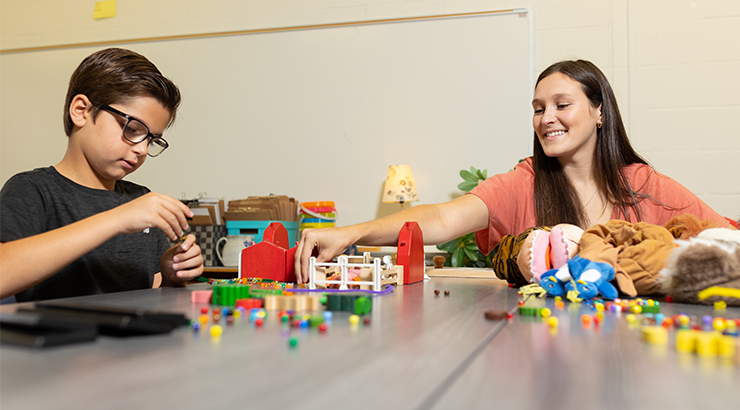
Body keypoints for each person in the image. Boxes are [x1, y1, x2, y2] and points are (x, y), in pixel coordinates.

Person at [294, 59, 731, 283]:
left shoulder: (642, 184)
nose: (547, 119)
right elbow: (444, 218)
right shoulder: (524, 182)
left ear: (600, 112)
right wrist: (348, 233)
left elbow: (718, 230)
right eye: (538, 109)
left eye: (562, 105)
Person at [0, 48, 204, 302]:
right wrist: (117, 219)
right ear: (81, 110)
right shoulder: (32, 190)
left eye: (152, 139)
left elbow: (147, 293)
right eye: (132, 128)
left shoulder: (140, 199)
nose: (141, 149)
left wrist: (169, 276)